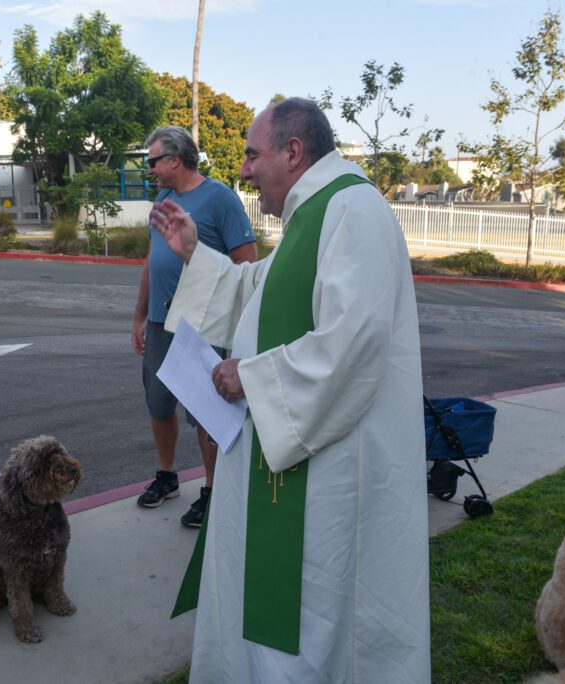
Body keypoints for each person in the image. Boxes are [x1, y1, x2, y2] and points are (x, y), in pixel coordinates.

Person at [153, 98, 430, 682]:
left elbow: (353, 340)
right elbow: (266, 287)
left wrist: (247, 377)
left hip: (328, 473)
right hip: (292, 456)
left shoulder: (352, 209)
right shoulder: (319, 212)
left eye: (253, 155)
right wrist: (194, 254)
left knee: (312, 610)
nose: (246, 170)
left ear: (294, 152)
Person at [132, 125, 257, 528]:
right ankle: (167, 476)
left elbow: (247, 264)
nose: (149, 168)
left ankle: (212, 490)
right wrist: (139, 316)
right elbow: (152, 261)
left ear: (175, 159)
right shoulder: (165, 198)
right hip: (159, 322)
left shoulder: (221, 199)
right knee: (158, 403)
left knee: (207, 412)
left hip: (202, 324)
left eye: (153, 161)